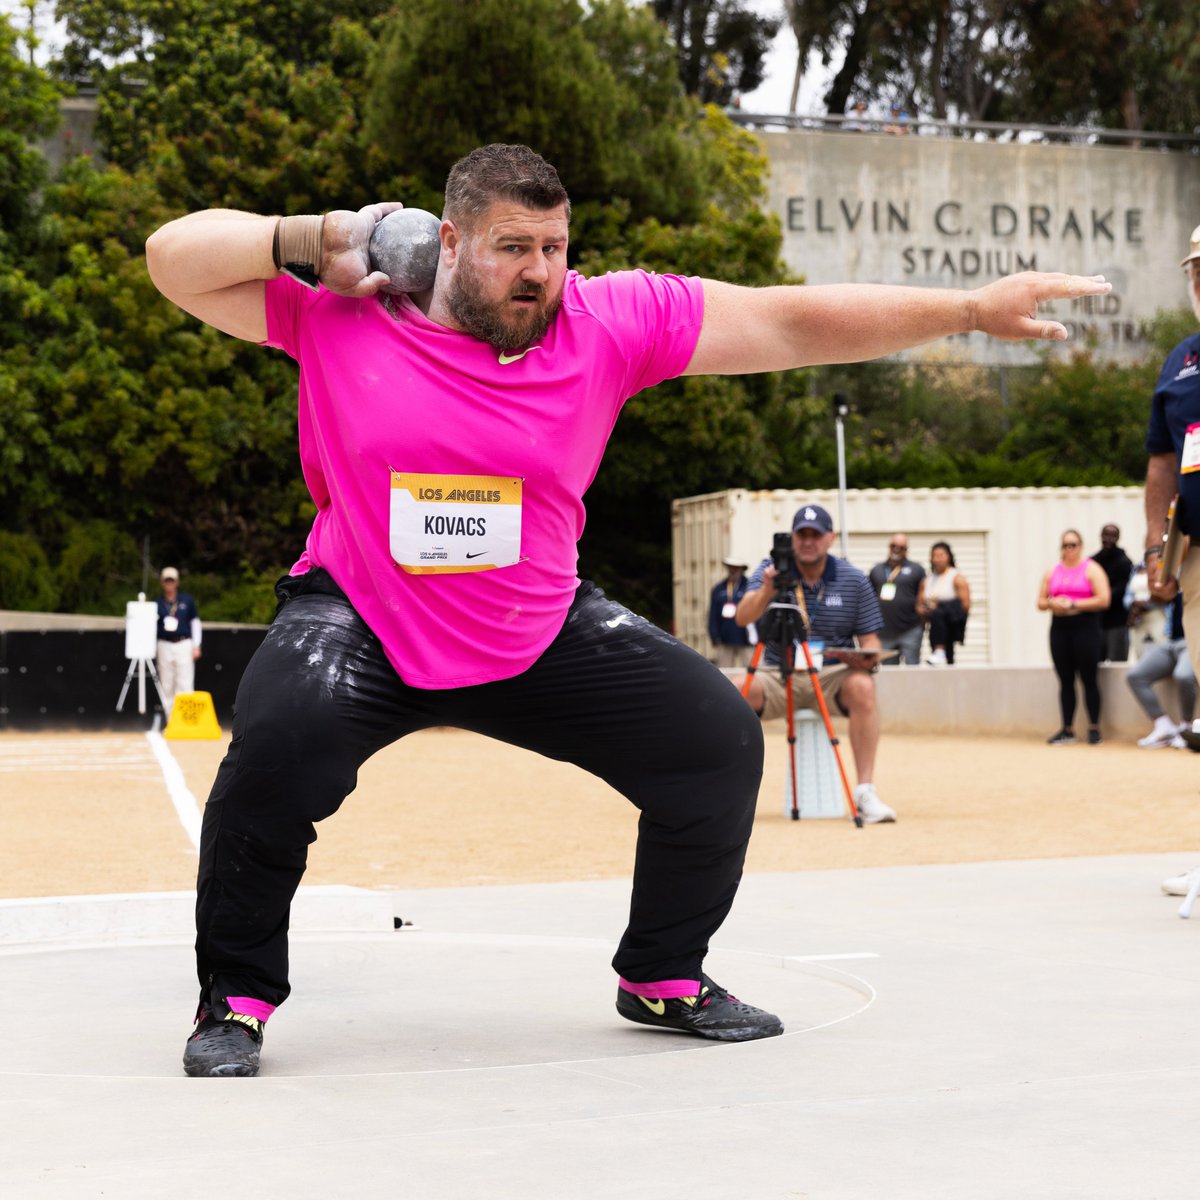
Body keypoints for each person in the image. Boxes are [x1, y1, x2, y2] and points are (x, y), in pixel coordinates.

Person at [144, 140, 1110, 1077]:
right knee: (272, 752)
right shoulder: (347, 313)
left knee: (717, 746)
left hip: (538, 625)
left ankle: (660, 974)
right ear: (446, 242)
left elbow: (788, 321)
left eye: (556, 248)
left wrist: (972, 309)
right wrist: (316, 236)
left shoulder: (608, 321)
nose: (540, 274)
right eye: (511, 248)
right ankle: (235, 999)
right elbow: (172, 261)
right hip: (362, 618)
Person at [733, 503, 895, 823]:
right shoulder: (772, 570)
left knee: (864, 686)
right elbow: (743, 617)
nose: (808, 541)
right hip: (778, 673)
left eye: (815, 535)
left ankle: (864, 791)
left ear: (830, 538)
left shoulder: (853, 579)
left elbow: (871, 641)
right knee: (734, 691)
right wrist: (768, 588)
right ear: (792, 538)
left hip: (831, 674)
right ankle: (725, 791)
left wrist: (865, 660)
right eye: (801, 534)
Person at [1145, 223, 1200, 752]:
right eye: (1199, 272)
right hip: (1197, 554)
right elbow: (1162, 462)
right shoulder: (1180, 360)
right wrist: (1154, 547)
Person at [1036, 529, 1111, 744]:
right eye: (1065, 545)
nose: (1069, 549)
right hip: (1060, 627)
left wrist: (1074, 603)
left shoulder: (1092, 569)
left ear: (1081, 546)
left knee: (1089, 679)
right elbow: (1040, 602)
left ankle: (1094, 728)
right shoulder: (1053, 571)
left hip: (1085, 626)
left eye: (1073, 545)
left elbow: (1104, 599)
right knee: (1065, 679)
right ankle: (1067, 729)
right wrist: (1053, 603)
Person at [1126, 595, 1194, 748]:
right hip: (1170, 641)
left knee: (1183, 675)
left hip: (1194, 642)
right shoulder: (1176, 580)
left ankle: (1186, 728)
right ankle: (1164, 726)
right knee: (1135, 676)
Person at [868, 533, 926, 665]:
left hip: (910, 629)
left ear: (907, 549)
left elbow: (922, 596)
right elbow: (869, 597)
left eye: (901, 546)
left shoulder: (917, 569)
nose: (897, 549)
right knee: (888, 672)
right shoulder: (877, 570)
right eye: (894, 545)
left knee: (913, 669)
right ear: (889, 547)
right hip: (885, 631)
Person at [154, 566, 202, 713]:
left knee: (185, 683)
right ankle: (170, 722)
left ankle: (185, 721)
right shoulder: (157, 603)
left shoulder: (187, 600)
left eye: (172, 581)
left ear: (176, 582)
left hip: (183, 644)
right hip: (164, 644)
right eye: (166, 581)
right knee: (166, 684)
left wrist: (196, 645)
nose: (169, 584)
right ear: (162, 583)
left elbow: (195, 623)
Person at [919, 541, 970, 664]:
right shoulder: (928, 579)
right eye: (934, 556)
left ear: (949, 557)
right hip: (934, 625)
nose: (938, 559)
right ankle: (938, 652)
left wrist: (942, 607)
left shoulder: (956, 577)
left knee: (949, 656)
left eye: (941, 555)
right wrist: (927, 610)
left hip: (951, 622)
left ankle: (940, 651)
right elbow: (919, 604)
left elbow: (965, 604)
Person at [1092, 523, 1133, 662]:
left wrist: (1103, 596)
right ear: (1101, 536)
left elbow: (1125, 588)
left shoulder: (1124, 562)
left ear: (1118, 538)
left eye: (1113, 536)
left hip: (1118, 622)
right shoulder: (1093, 562)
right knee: (1095, 663)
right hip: (1097, 622)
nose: (1109, 539)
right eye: (1106, 535)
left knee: (1118, 663)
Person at [708, 556, 753, 669]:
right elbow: (713, 615)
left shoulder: (750, 587)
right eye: (730, 567)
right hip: (725, 638)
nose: (733, 570)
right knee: (724, 672)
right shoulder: (718, 589)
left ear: (742, 569)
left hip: (746, 638)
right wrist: (714, 636)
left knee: (752, 672)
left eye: (736, 568)